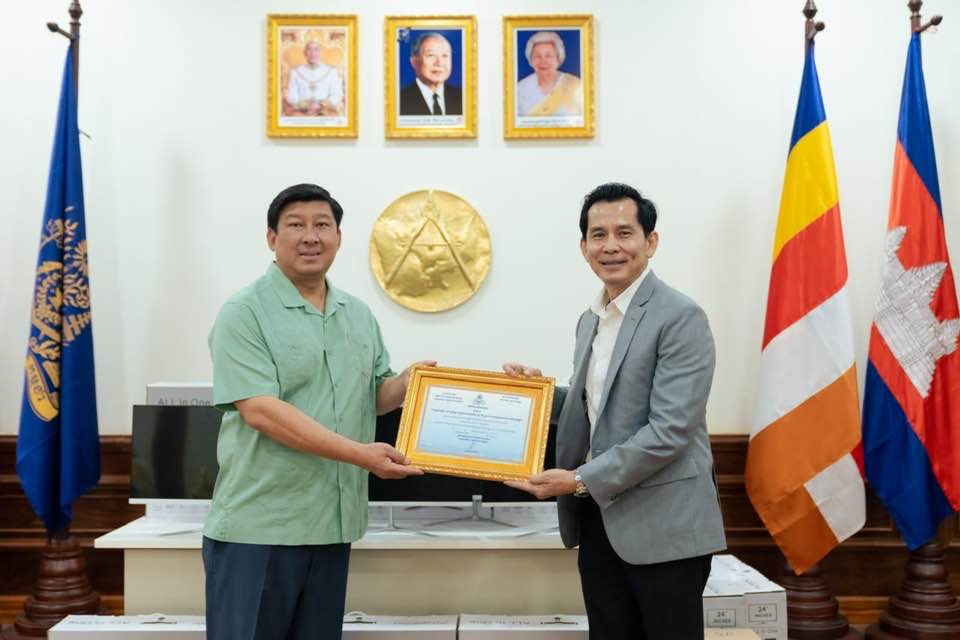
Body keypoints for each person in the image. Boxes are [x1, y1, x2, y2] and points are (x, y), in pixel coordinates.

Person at [203, 183, 431, 640]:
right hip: (260, 528)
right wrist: (361, 455)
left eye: (322, 225)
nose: (311, 236)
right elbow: (261, 411)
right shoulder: (244, 312)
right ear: (272, 237)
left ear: (338, 237)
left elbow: (374, 394)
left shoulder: (357, 314)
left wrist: (411, 383)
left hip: (332, 525)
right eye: (296, 225)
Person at [504, 182, 726, 640]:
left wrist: (579, 479)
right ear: (583, 247)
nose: (610, 246)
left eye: (624, 233)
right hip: (600, 520)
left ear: (651, 241)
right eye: (598, 235)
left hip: (664, 526)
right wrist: (537, 395)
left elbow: (670, 429)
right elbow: (596, 402)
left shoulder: (680, 317)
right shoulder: (591, 319)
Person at [516, 31, 582, 117]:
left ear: (558, 59)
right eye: (537, 56)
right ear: (531, 61)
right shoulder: (520, 89)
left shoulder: (575, 85)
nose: (543, 61)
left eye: (548, 56)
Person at [399, 32, 463, 116]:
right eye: (431, 55)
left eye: (445, 56)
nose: (439, 63)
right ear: (414, 62)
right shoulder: (400, 100)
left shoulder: (463, 97)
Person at [284, 40, 343, 116]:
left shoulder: (331, 71)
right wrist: (305, 105)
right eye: (309, 49)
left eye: (316, 49)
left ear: (320, 52)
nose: (313, 53)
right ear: (305, 53)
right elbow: (291, 95)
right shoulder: (295, 71)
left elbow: (337, 94)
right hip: (301, 113)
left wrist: (321, 105)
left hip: (325, 113)